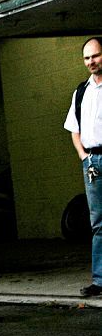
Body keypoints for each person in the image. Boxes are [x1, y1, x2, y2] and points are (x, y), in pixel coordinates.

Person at [64, 36, 102, 297]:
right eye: (87, 57)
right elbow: (73, 129)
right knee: (98, 223)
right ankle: (100, 281)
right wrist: (83, 156)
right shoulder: (81, 92)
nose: (91, 61)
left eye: (95, 55)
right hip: (92, 163)